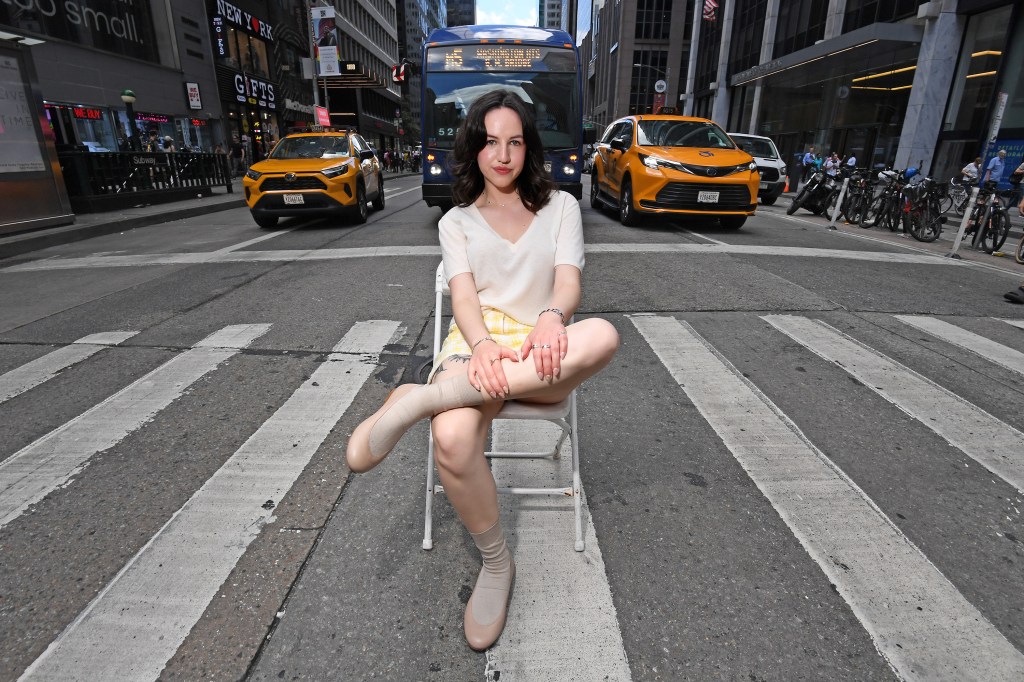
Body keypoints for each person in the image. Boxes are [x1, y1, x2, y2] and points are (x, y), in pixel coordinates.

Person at [344, 89, 619, 652]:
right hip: (479, 344)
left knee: (604, 335)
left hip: (544, 346)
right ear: (474, 148)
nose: (503, 154)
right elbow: (465, 300)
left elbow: (568, 283)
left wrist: (549, 318)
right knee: (452, 437)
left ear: (528, 147)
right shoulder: (457, 221)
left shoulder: (561, 207)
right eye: (491, 141)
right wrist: (484, 345)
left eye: (515, 141)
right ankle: (497, 565)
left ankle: (423, 398)